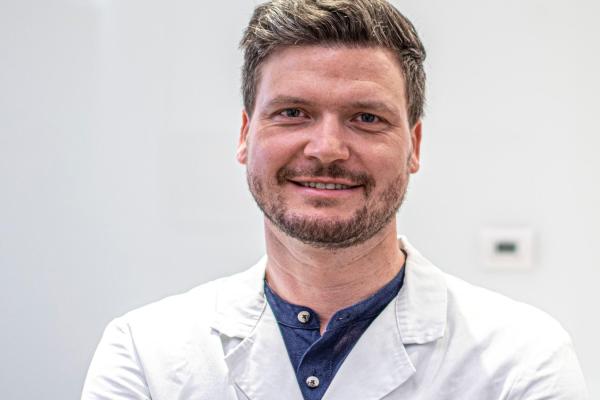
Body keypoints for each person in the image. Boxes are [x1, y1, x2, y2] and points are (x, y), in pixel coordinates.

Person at [81, 0, 589, 399]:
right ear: (244, 135)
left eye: (366, 118)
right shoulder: (145, 354)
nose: (326, 148)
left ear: (414, 146)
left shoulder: (522, 362)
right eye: (292, 112)